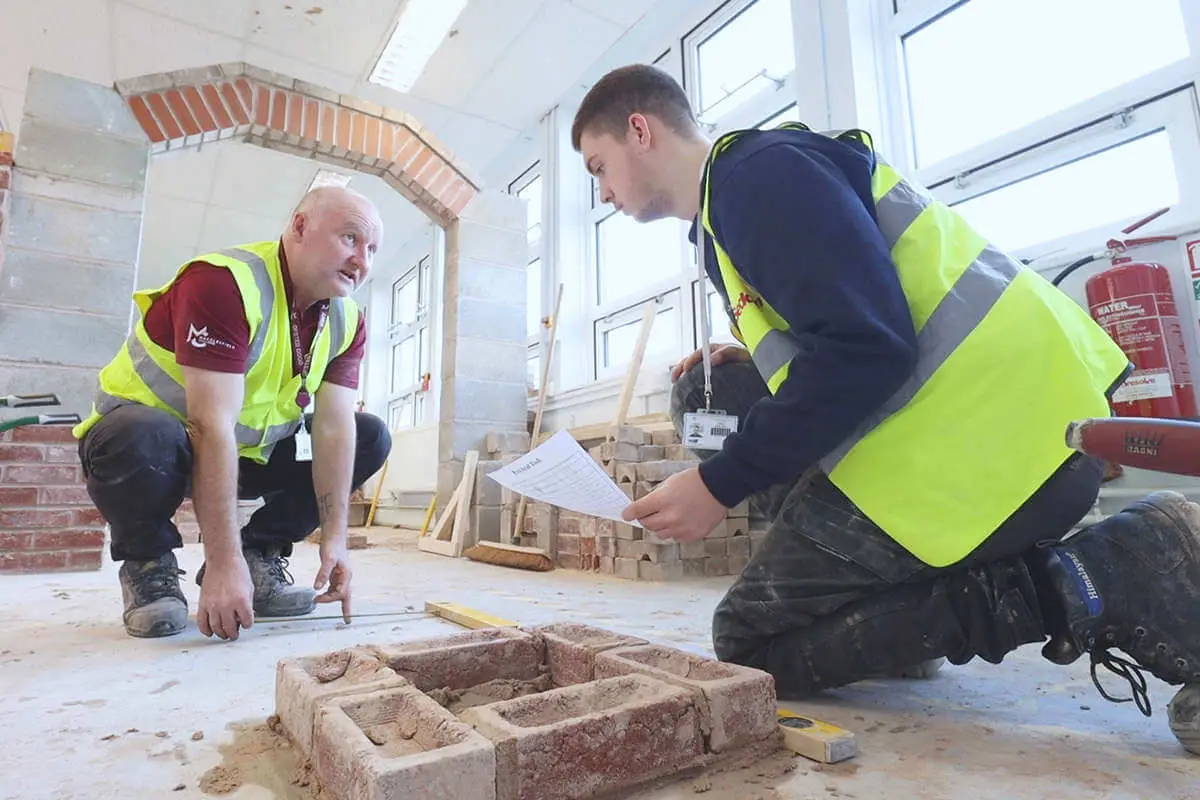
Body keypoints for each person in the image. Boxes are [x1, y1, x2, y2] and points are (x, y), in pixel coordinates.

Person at [571, 63, 1200, 751]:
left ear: (640, 131)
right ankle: (889, 613)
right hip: (1001, 422)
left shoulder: (757, 178)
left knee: (753, 640)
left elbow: (870, 347)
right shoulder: (736, 204)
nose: (602, 193)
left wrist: (718, 483)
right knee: (706, 393)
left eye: (600, 167)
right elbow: (858, 317)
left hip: (994, 445)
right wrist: (757, 356)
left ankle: (1088, 578)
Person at [74, 186, 391, 643]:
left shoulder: (346, 320)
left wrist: (335, 538)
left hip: (246, 453)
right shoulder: (224, 283)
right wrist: (223, 563)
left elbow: (336, 429)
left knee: (370, 435)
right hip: (156, 449)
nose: (361, 259)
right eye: (350, 238)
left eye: (372, 250)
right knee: (142, 433)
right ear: (300, 227)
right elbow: (209, 424)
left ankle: (258, 554)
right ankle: (150, 566)